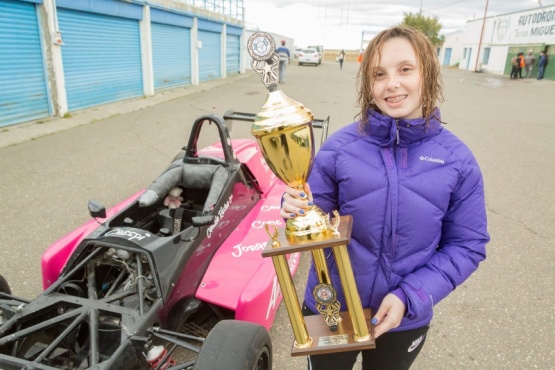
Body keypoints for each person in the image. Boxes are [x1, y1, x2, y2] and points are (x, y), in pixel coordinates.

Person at [280, 25, 489, 370]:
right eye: (379, 74)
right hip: (332, 311)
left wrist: (412, 296)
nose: (392, 84)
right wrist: (294, 210)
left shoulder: (457, 160)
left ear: (428, 73)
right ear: (368, 84)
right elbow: (313, 219)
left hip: (404, 319)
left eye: (405, 69)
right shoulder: (338, 149)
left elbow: (467, 244)